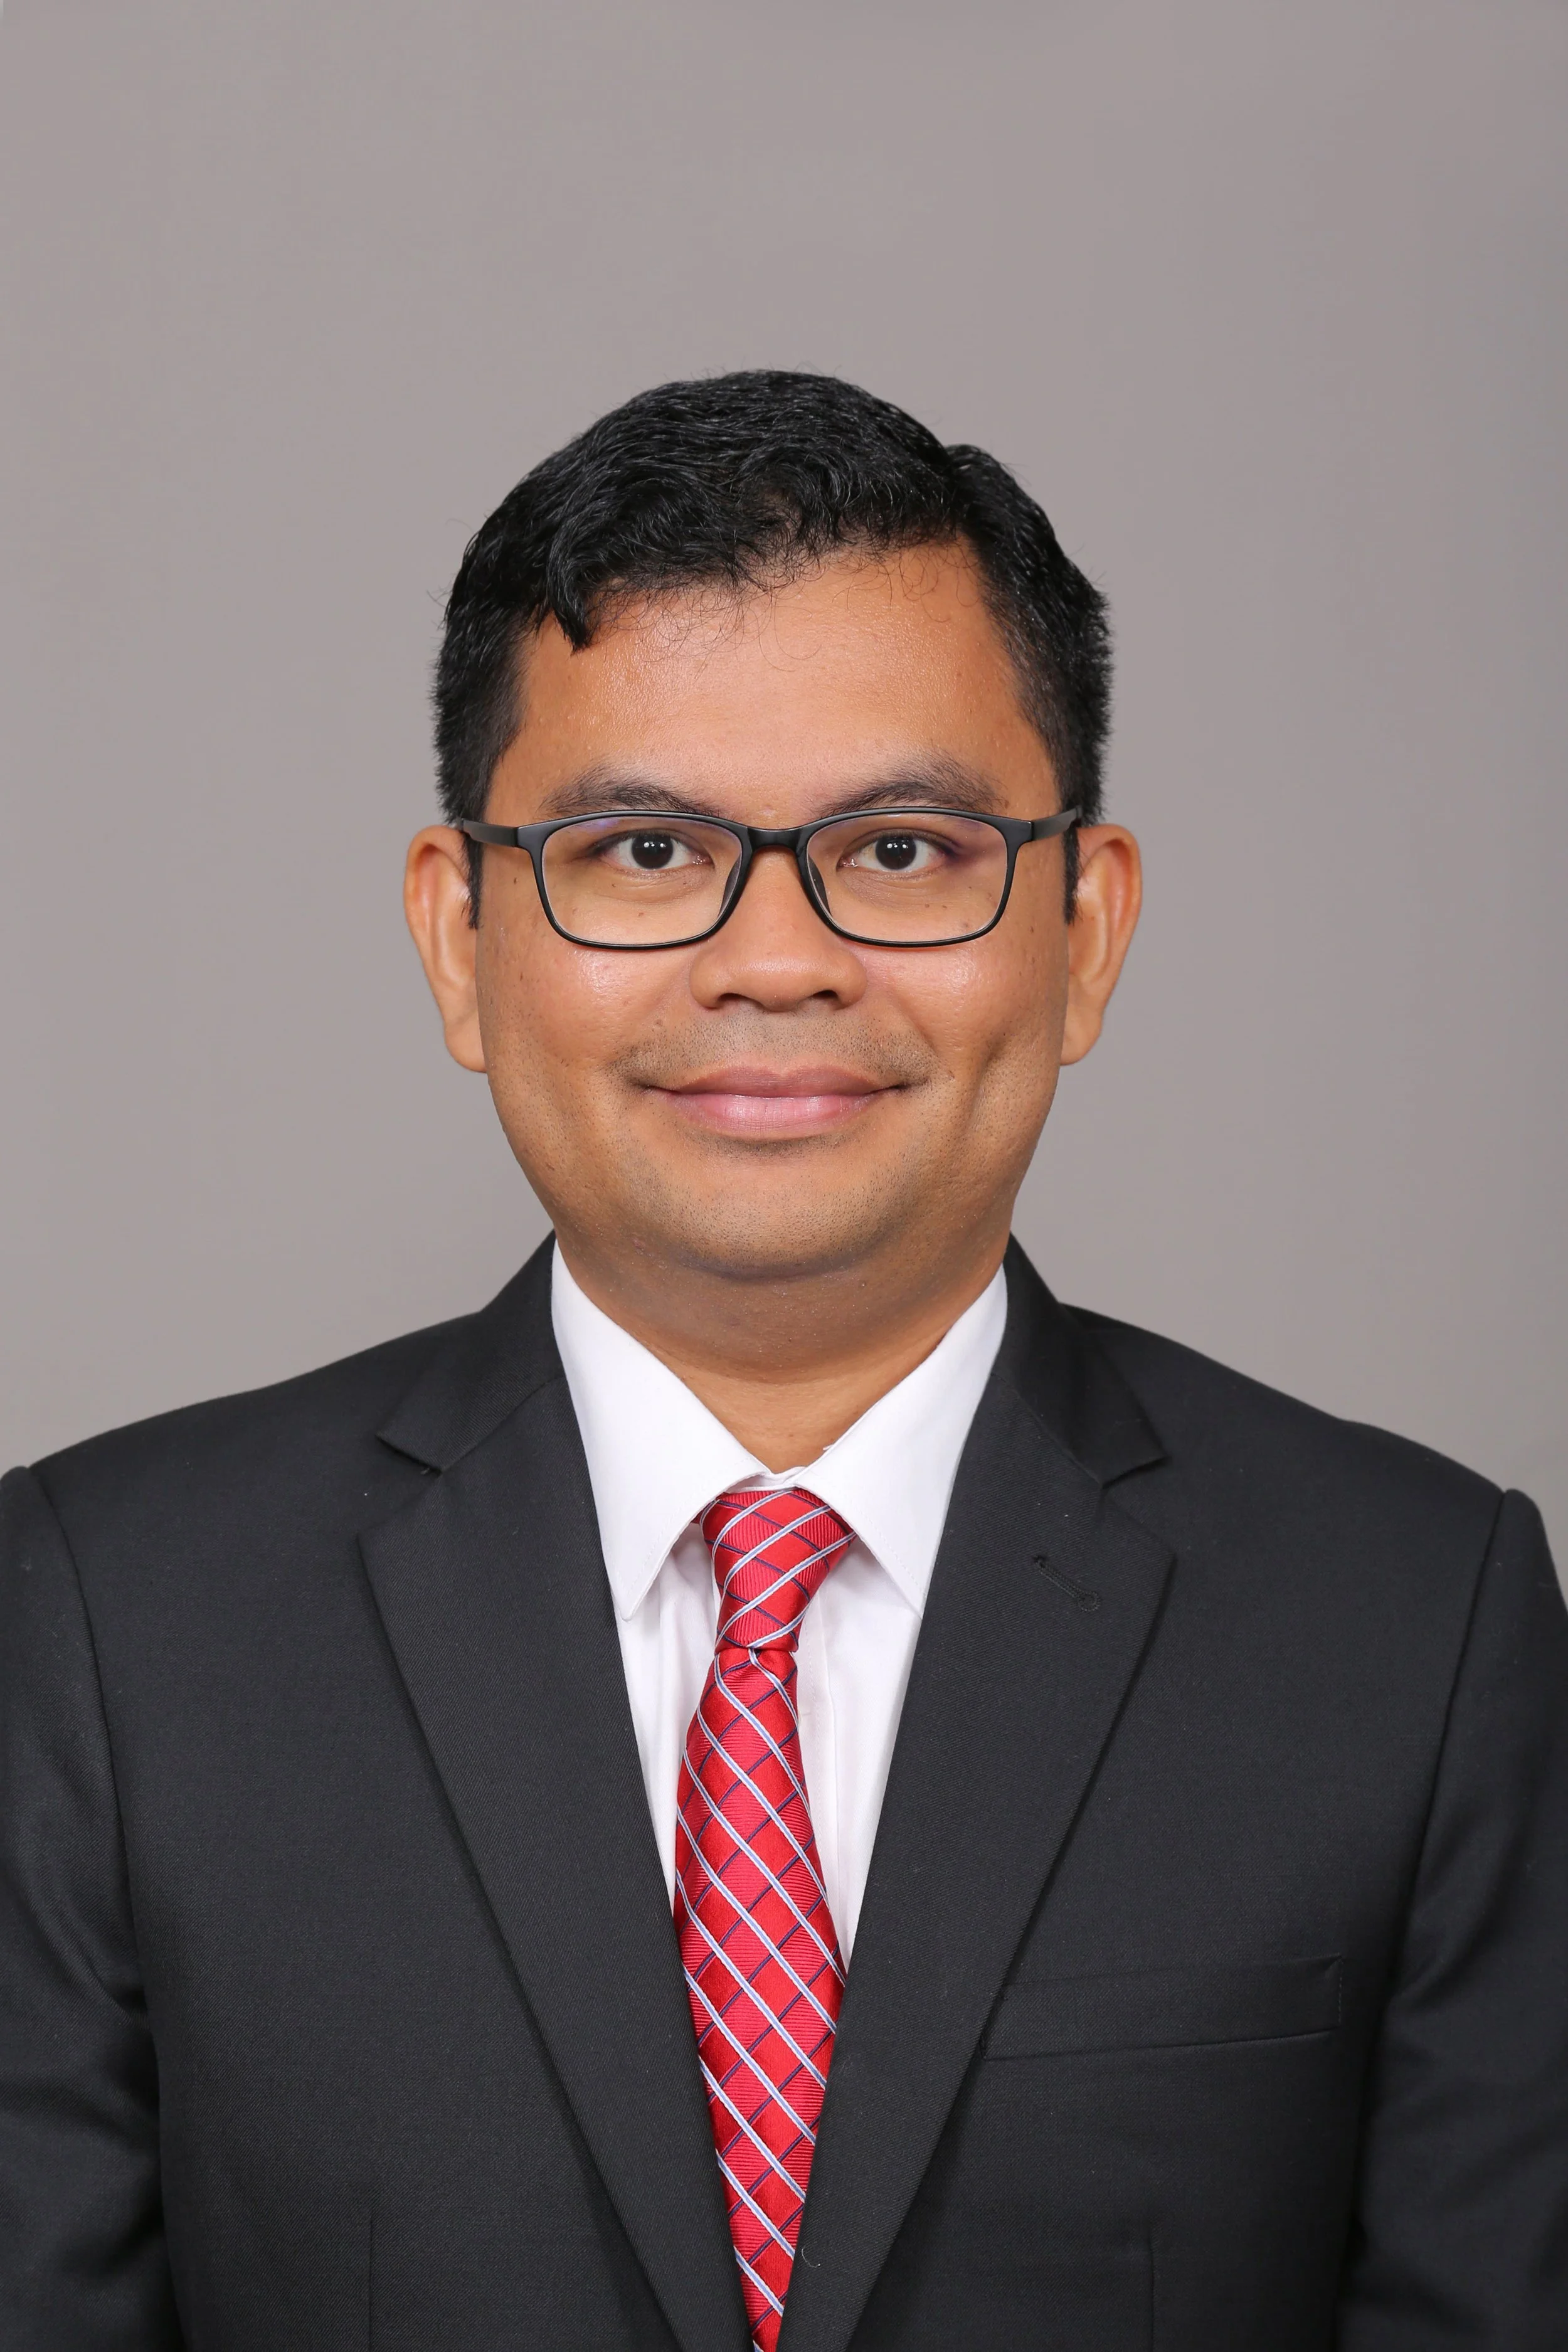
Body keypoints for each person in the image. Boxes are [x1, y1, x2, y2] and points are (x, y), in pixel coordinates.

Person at [2, 371, 1564, 2352]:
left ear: (1081, 931)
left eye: (903, 850)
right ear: (455, 938)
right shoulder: (102, 1624)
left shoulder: (1413, 1622)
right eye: (640, 853)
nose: (774, 958)